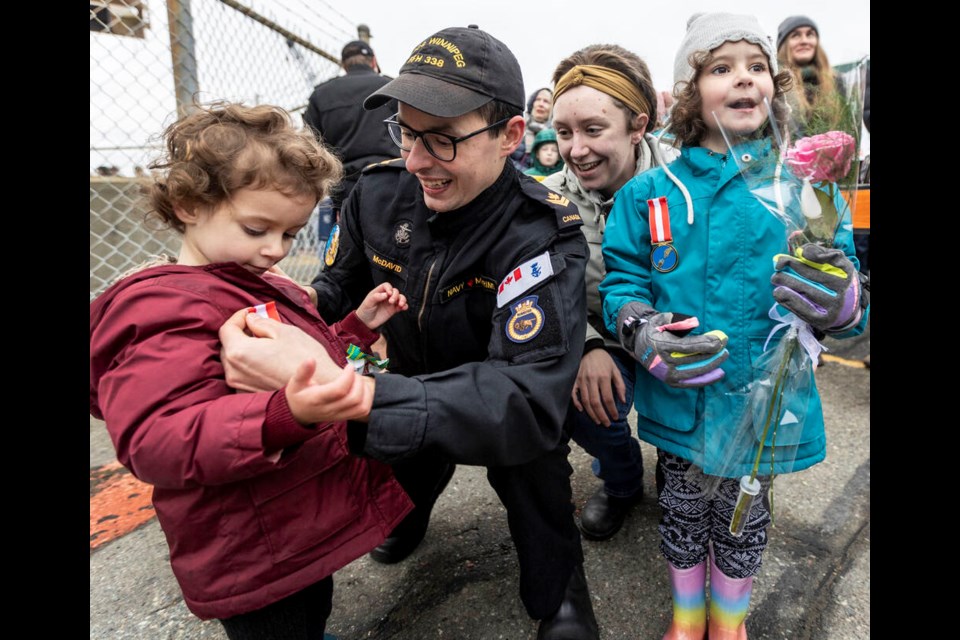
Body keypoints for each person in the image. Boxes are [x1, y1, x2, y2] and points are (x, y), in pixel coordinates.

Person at [219, 25, 600, 640]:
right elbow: (335, 284)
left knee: (534, 473)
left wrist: (364, 397)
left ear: (510, 136)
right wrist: (280, 309)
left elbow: (527, 397)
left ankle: (558, 589)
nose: (417, 160)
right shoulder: (375, 194)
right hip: (409, 387)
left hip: (499, 404)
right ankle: (409, 503)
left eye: (443, 140)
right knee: (395, 478)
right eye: (405, 132)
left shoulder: (539, 232)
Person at [89, 102, 414, 640]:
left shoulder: (254, 281)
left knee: (311, 607)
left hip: (293, 524)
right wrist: (284, 417)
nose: (274, 250)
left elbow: (301, 357)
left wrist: (355, 327)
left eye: (289, 235)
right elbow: (157, 437)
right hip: (250, 545)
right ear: (190, 205)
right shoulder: (162, 312)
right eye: (257, 228)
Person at [599, 13, 869, 639]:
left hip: (768, 403)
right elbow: (621, 282)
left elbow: (848, 278)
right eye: (720, 68)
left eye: (755, 67)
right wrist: (639, 327)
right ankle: (687, 618)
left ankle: (729, 622)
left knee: (746, 520)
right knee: (682, 513)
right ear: (690, 93)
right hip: (681, 401)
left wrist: (843, 300)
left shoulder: (808, 187)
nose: (743, 79)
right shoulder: (650, 193)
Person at [541, 43, 678, 543]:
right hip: (605, 337)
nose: (576, 150)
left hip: (677, 335)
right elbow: (542, 289)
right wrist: (584, 346)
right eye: (564, 132)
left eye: (594, 130)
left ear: (638, 126)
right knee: (575, 393)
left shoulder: (687, 185)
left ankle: (678, 464)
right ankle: (621, 481)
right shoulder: (548, 199)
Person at [303, 39, 398, 226]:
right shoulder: (393, 88)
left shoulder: (321, 95)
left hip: (345, 188)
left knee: (345, 247)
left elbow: (310, 145)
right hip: (393, 181)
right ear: (373, 61)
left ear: (344, 65)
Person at [776, 15, 845, 135]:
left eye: (810, 34)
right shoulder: (777, 83)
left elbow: (846, 122)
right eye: (795, 35)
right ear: (784, 45)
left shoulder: (835, 80)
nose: (804, 40)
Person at [512, 87, 554, 171]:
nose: (541, 104)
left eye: (546, 101)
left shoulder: (555, 135)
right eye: (538, 99)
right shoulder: (517, 125)